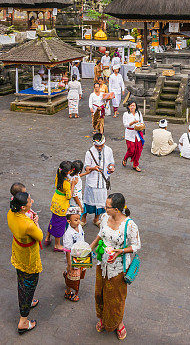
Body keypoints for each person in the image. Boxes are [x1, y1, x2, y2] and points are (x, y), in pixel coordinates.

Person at [90, 193, 140, 340]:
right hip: (102, 263)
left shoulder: (129, 225)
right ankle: (103, 318)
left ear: (117, 210)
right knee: (100, 293)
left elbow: (137, 245)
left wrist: (121, 251)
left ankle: (118, 322)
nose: (105, 209)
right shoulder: (105, 217)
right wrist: (90, 246)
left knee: (116, 297)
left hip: (118, 268)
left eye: (107, 207)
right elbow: (101, 234)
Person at [8, 190, 42, 334]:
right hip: (28, 257)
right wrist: (36, 223)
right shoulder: (27, 225)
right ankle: (23, 320)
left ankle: (29, 300)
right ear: (23, 207)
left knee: (22, 279)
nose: (31, 201)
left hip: (18, 251)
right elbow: (39, 236)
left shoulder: (10, 214)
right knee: (28, 284)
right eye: (29, 201)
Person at [82, 133, 115, 226]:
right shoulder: (89, 152)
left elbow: (111, 162)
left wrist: (111, 167)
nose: (99, 148)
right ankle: (83, 219)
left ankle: (96, 219)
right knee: (87, 201)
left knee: (101, 202)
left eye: (101, 146)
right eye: (97, 146)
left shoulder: (109, 150)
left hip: (103, 182)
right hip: (92, 182)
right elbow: (86, 168)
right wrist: (93, 168)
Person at [44, 161, 74, 252]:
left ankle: (48, 237)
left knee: (53, 220)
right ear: (68, 172)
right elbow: (69, 196)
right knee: (59, 225)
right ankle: (57, 245)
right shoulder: (67, 184)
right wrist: (73, 185)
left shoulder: (58, 176)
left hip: (55, 202)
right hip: (62, 205)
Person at [62, 206, 86, 302]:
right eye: (76, 220)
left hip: (80, 255)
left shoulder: (79, 226)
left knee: (77, 274)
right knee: (72, 277)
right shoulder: (68, 234)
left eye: (79, 219)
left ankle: (67, 273)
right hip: (72, 258)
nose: (78, 222)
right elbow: (67, 250)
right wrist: (69, 264)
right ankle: (68, 292)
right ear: (69, 221)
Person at [122, 100, 144, 172]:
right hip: (129, 134)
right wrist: (132, 123)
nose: (132, 107)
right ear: (128, 107)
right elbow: (125, 124)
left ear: (136, 106)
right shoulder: (126, 114)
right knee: (131, 150)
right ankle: (125, 158)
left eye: (134, 105)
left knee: (138, 150)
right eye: (131, 106)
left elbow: (142, 122)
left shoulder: (139, 113)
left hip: (137, 134)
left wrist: (140, 125)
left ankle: (135, 164)